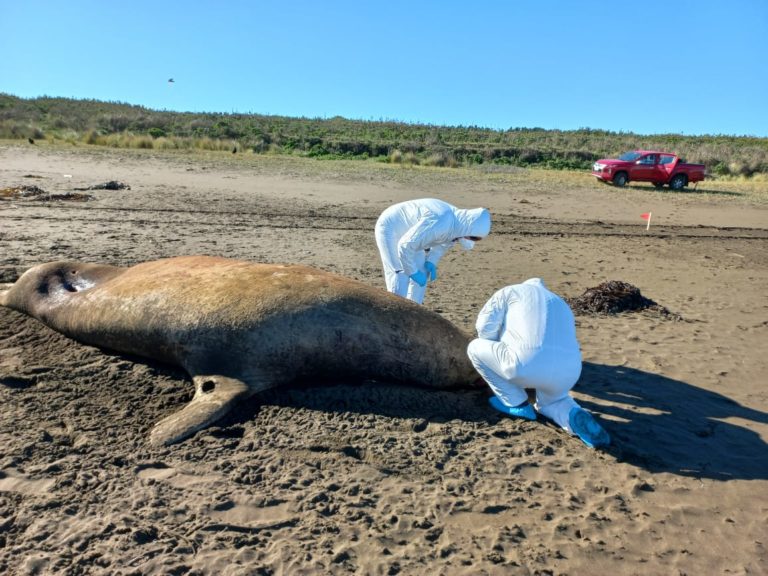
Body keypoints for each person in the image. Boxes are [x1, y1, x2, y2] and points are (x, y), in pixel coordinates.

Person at [467, 278, 610, 448]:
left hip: (525, 364)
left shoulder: (510, 291)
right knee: (554, 401)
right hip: (570, 372)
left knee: (475, 347)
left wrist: (495, 355)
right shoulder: (560, 303)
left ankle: (516, 403)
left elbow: (485, 327)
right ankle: (572, 414)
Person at [374, 198, 491, 304]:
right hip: (390, 227)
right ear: (469, 228)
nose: (472, 240)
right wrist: (412, 272)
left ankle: (414, 311)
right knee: (400, 274)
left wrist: (431, 261)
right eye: (474, 237)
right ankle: (395, 312)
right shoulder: (440, 221)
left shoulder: (458, 225)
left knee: (423, 272)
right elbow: (405, 246)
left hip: (412, 235)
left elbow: (445, 242)